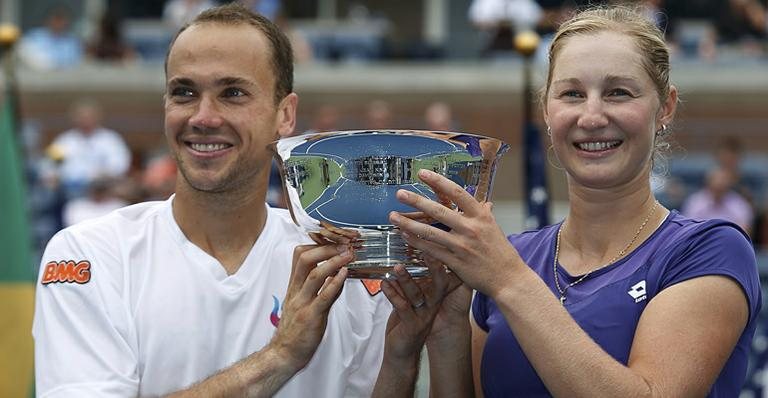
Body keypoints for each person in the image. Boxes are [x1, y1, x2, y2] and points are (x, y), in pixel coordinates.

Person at [381, 5, 761, 397]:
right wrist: (446, 330)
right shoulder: (515, 257)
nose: (592, 116)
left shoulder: (708, 249)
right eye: (572, 94)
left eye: (618, 92)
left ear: (665, 106)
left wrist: (510, 281)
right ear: (547, 109)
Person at [33, 4, 392, 397]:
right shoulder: (92, 254)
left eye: (232, 93)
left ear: (285, 115)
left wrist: (412, 346)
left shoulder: (343, 266)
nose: (203, 116)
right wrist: (281, 354)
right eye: (184, 92)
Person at [46, 99, 132, 199]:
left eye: (89, 117)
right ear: (75, 118)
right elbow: (50, 164)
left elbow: (119, 165)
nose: (85, 120)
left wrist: (105, 174)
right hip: (67, 189)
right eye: (81, 117)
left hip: (101, 188)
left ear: (97, 118)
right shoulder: (64, 140)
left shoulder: (110, 139)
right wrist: (53, 176)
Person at [682, 166, 754, 235]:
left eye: (723, 181)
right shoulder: (694, 202)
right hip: (701, 244)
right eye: (716, 181)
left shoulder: (740, 204)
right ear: (708, 182)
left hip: (730, 243)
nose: (720, 184)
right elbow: (689, 230)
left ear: (729, 184)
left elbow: (744, 233)